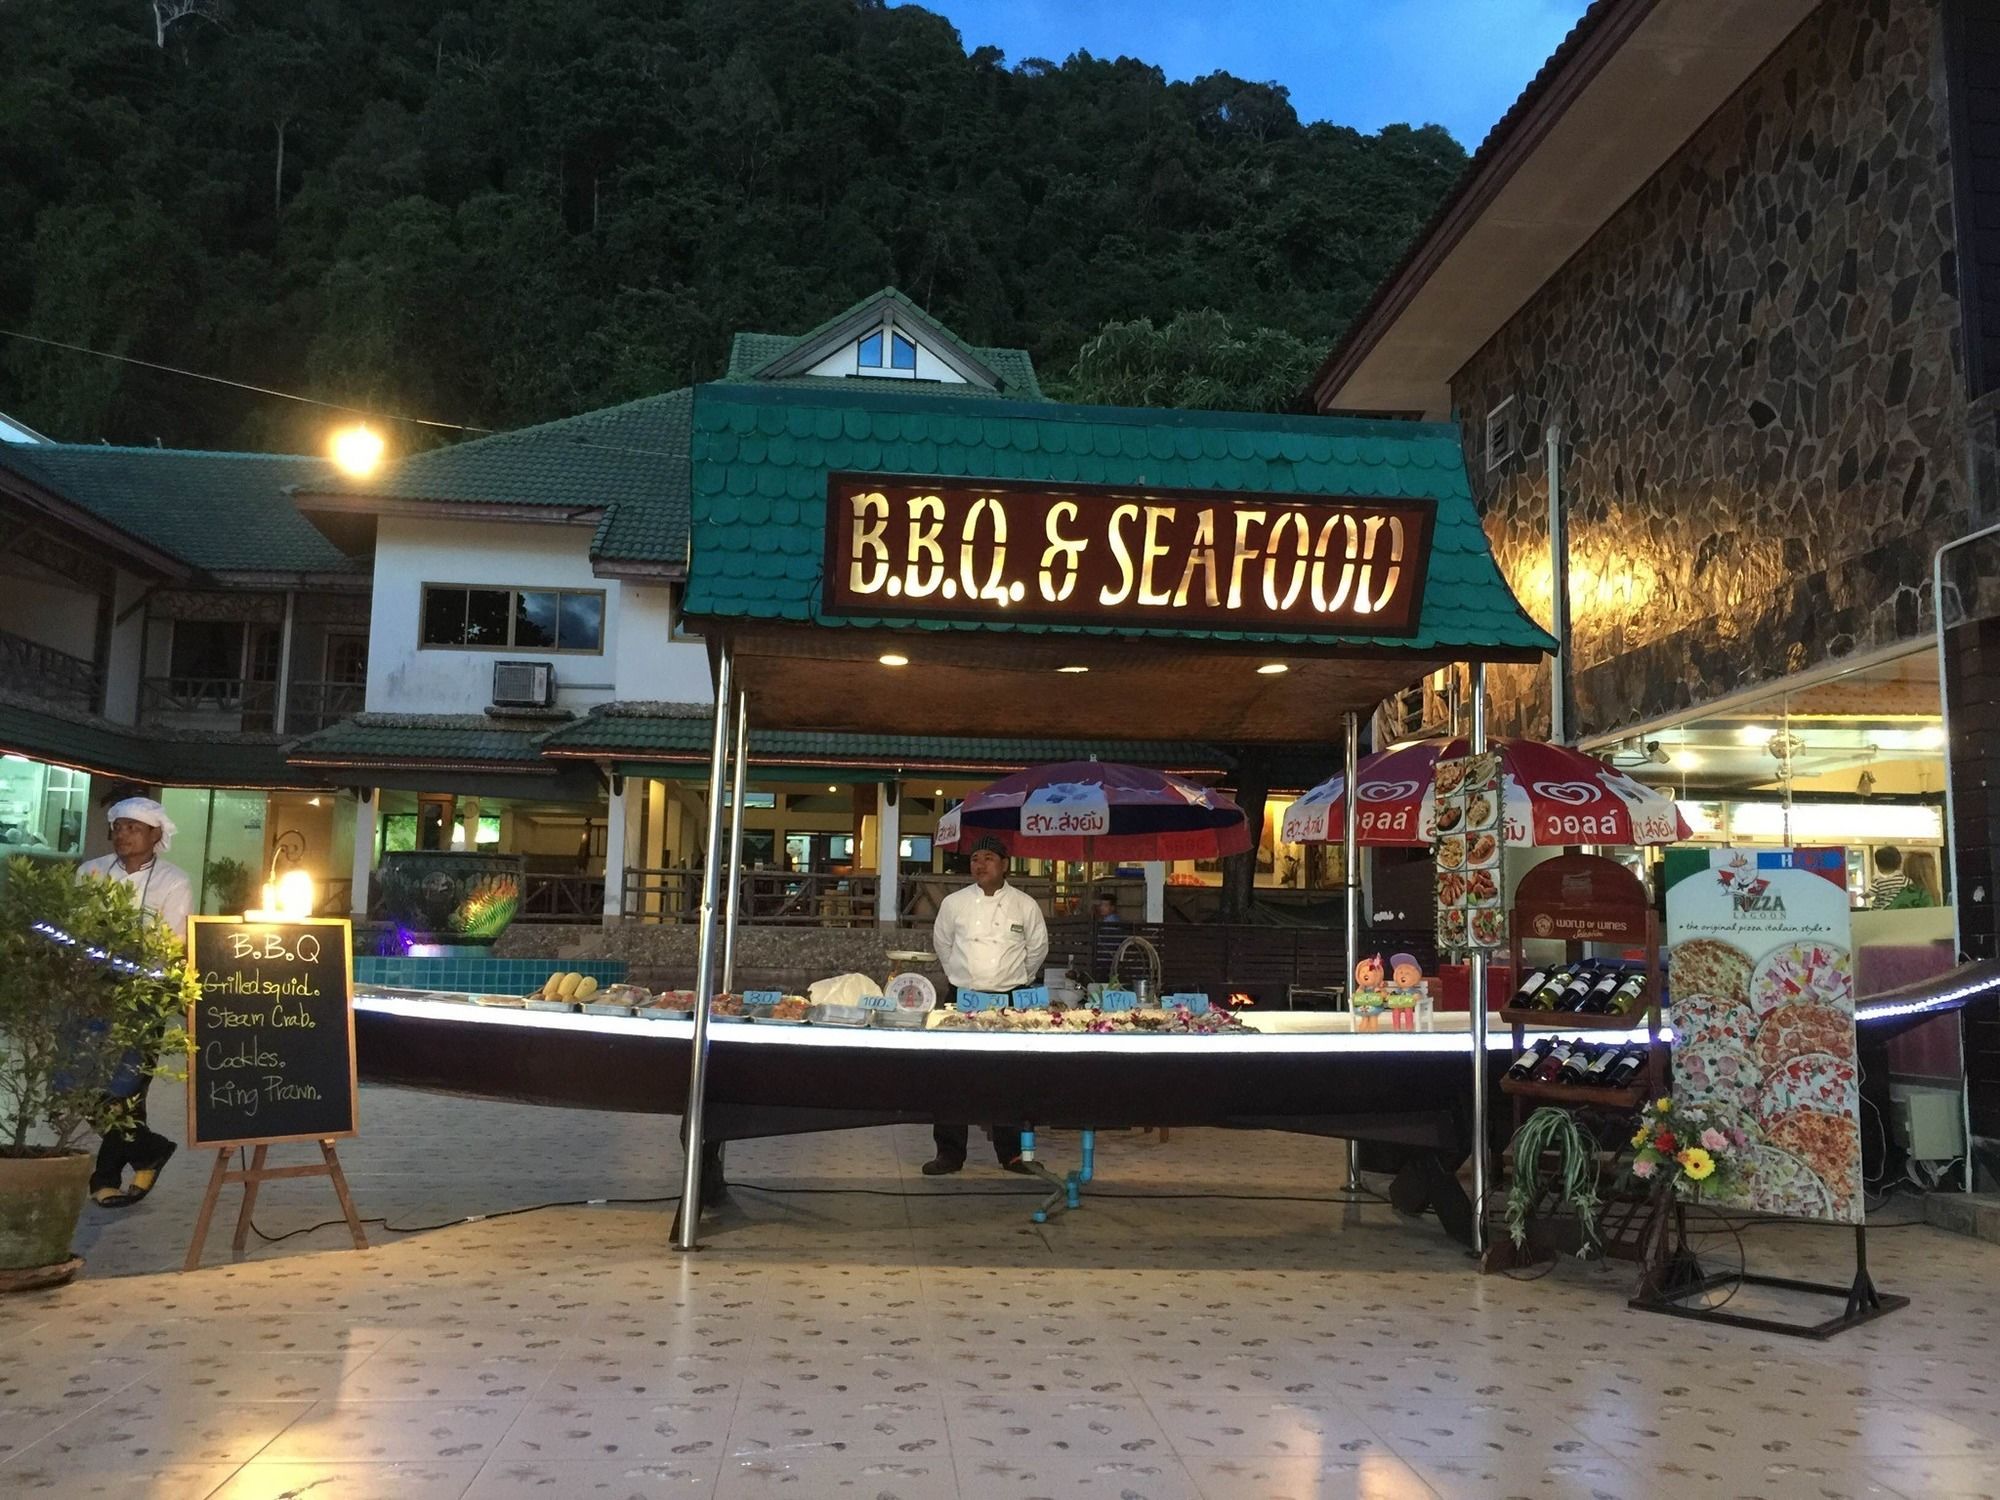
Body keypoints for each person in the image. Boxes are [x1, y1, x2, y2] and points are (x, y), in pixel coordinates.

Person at [75, 797, 193, 1208]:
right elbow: (78, 929)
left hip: (146, 993)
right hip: (94, 990)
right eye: (119, 827)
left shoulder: (173, 881)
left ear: (155, 835)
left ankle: (106, 1175)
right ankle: (148, 1151)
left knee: (127, 1087)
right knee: (84, 1084)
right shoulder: (89, 872)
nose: (123, 835)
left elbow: (173, 943)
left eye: (134, 828)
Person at [924, 835, 1048, 1175]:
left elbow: (1037, 948)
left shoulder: (1024, 904)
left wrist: (1016, 981)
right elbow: (943, 944)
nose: (980, 864)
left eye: (988, 858)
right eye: (975, 858)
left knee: (1009, 1076)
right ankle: (949, 1154)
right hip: (962, 998)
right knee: (952, 1076)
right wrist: (960, 980)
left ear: (1005, 864)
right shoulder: (954, 903)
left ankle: (1011, 1154)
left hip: (1008, 1000)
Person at [1091, 889, 1124, 980]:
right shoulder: (1113, 920)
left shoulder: (1110, 922)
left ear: (1112, 908)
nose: (1102, 908)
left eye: (1105, 905)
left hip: (1107, 959)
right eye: (1101, 905)